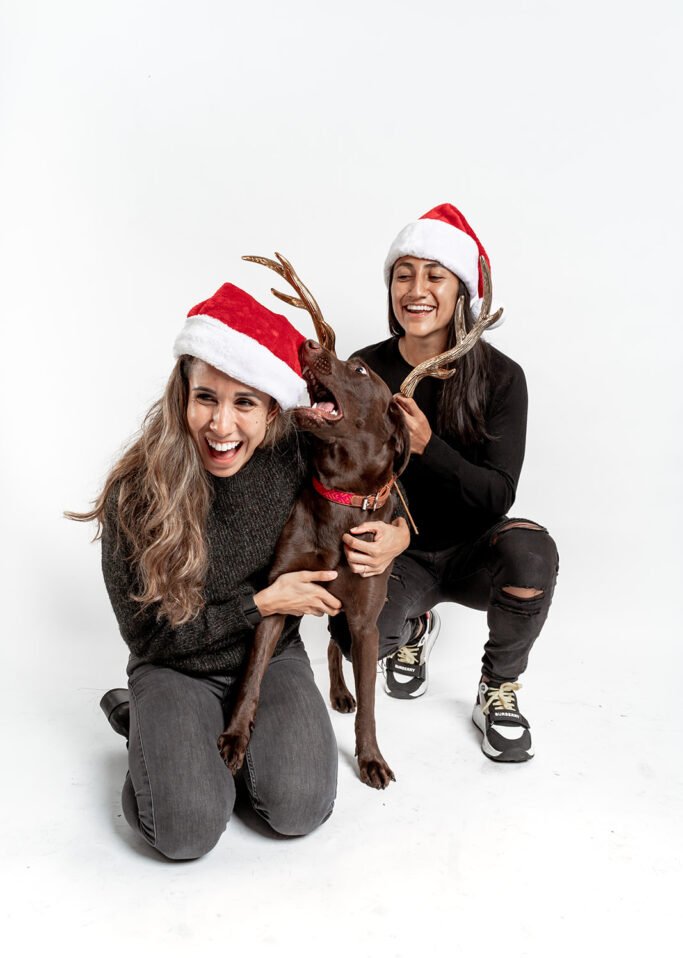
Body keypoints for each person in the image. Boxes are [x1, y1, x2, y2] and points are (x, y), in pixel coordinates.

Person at [68, 283, 340, 858]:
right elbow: (150, 635)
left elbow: (377, 474)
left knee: (298, 808)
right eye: (206, 398)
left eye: (244, 402)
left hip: (269, 658)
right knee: (184, 831)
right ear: (182, 397)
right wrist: (262, 603)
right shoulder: (137, 491)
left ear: (273, 407)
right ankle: (151, 730)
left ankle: (210, 753)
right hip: (175, 665)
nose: (221, 425)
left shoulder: (294, 457)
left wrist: (395, 537)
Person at [336, 204, 559, 763]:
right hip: (397, 553)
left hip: (472, 549)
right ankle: (411, 627)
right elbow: (338, 476)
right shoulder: (363, 371)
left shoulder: (503, 378)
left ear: (461, 291)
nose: (416, 288)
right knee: (352, 637)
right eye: (403, 273)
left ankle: (498, 688)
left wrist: (427, 448)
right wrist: (382, 535)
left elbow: (496, 495)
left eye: (434, 275)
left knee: (532, 555)